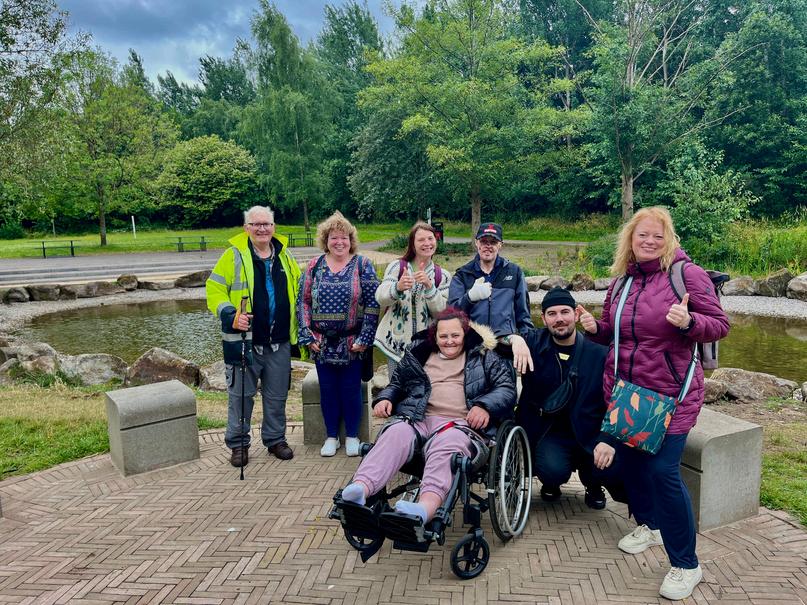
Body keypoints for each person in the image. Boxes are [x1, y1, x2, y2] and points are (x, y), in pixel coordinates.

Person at [577, 206, 729, 601]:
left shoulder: (686, 275)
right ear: (630, 238)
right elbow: (618, 334)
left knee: (663, 473)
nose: (649, 241)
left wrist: (689, 322)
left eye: (657, 236)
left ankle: (686, 564)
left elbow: (719, 325)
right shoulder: (621, 282)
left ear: (669, 240)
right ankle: (650, 524)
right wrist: (596, 329)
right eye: (642, 235)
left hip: (671, 395)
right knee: (630, 465)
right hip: (627, 395)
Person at [340, 307, 516, 524]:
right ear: (435, 336)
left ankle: (425, 507)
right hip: (419, 419)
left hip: (461, 425)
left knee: (446, 443)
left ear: (465, 334)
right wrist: (385, 398)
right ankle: (361, 487)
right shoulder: (419, 353)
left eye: (455, 335)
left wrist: (484, 406)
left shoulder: (484, 356)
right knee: (395, 432)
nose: (449, 341)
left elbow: (506, 389)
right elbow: (397, 383)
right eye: (443, 336)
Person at [513, 287, 626, 510]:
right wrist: (514, 339)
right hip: (550, 432)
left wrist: (607, 439)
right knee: (552, 470)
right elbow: (493, 343)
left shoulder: (599, 353)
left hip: (589, 430)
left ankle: (593, 484)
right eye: (552, 314)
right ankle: (551, 482)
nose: (559, 319)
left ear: (576, 314)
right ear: (543, 318)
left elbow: (616, 399)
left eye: (565, 312)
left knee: (613, 462)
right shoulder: (533, 343)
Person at [205, 205, 301, 466]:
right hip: (244, 342)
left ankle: (275, 439)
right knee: (241, 396)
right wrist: (230, 315)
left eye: (266, 224)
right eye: (256, 224)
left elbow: (299, 289)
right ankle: (238, 444)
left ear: (274, 227)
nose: (262, 229)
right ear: (246, 228)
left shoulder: (285, 255)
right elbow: (214, 290)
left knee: (277, 396)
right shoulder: (233, 255)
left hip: (279, 341)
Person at [296, 211, 380, 457]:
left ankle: (352, 436)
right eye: (334, 237)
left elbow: (373, 303)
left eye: (344, 237)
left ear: (351, 240)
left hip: (353, 342)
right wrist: (307, 335)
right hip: (321, 342)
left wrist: (365, 338)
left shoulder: (362, 264)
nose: (339, 242)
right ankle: (331, 436)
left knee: (351, 390)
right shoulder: (314, 266)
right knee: (328, 390)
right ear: (326, 240)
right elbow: (303, 302)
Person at [448, 222, 533, 372]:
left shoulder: (514, 272)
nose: (488, 246)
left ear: (500, 245)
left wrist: (528, 343)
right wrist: (470, 297)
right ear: (476, 243)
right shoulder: (463, 274)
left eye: (493, 242)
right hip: (473, 347)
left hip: (505, 347)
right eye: (484, 241)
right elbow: (451, 314)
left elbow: (523, 315)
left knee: (506, 386)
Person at [374, 222, 451, 373]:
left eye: (430, 238)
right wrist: (397, 287)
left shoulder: (443, 276)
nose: (427, 243)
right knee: (396, 386)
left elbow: (443, 312)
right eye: (421, 240)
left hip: (427, 348)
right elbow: (380, 298)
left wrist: (430, 287)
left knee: (424, 386)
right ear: (413, 244)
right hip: (395, 345)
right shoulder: (397, 267)